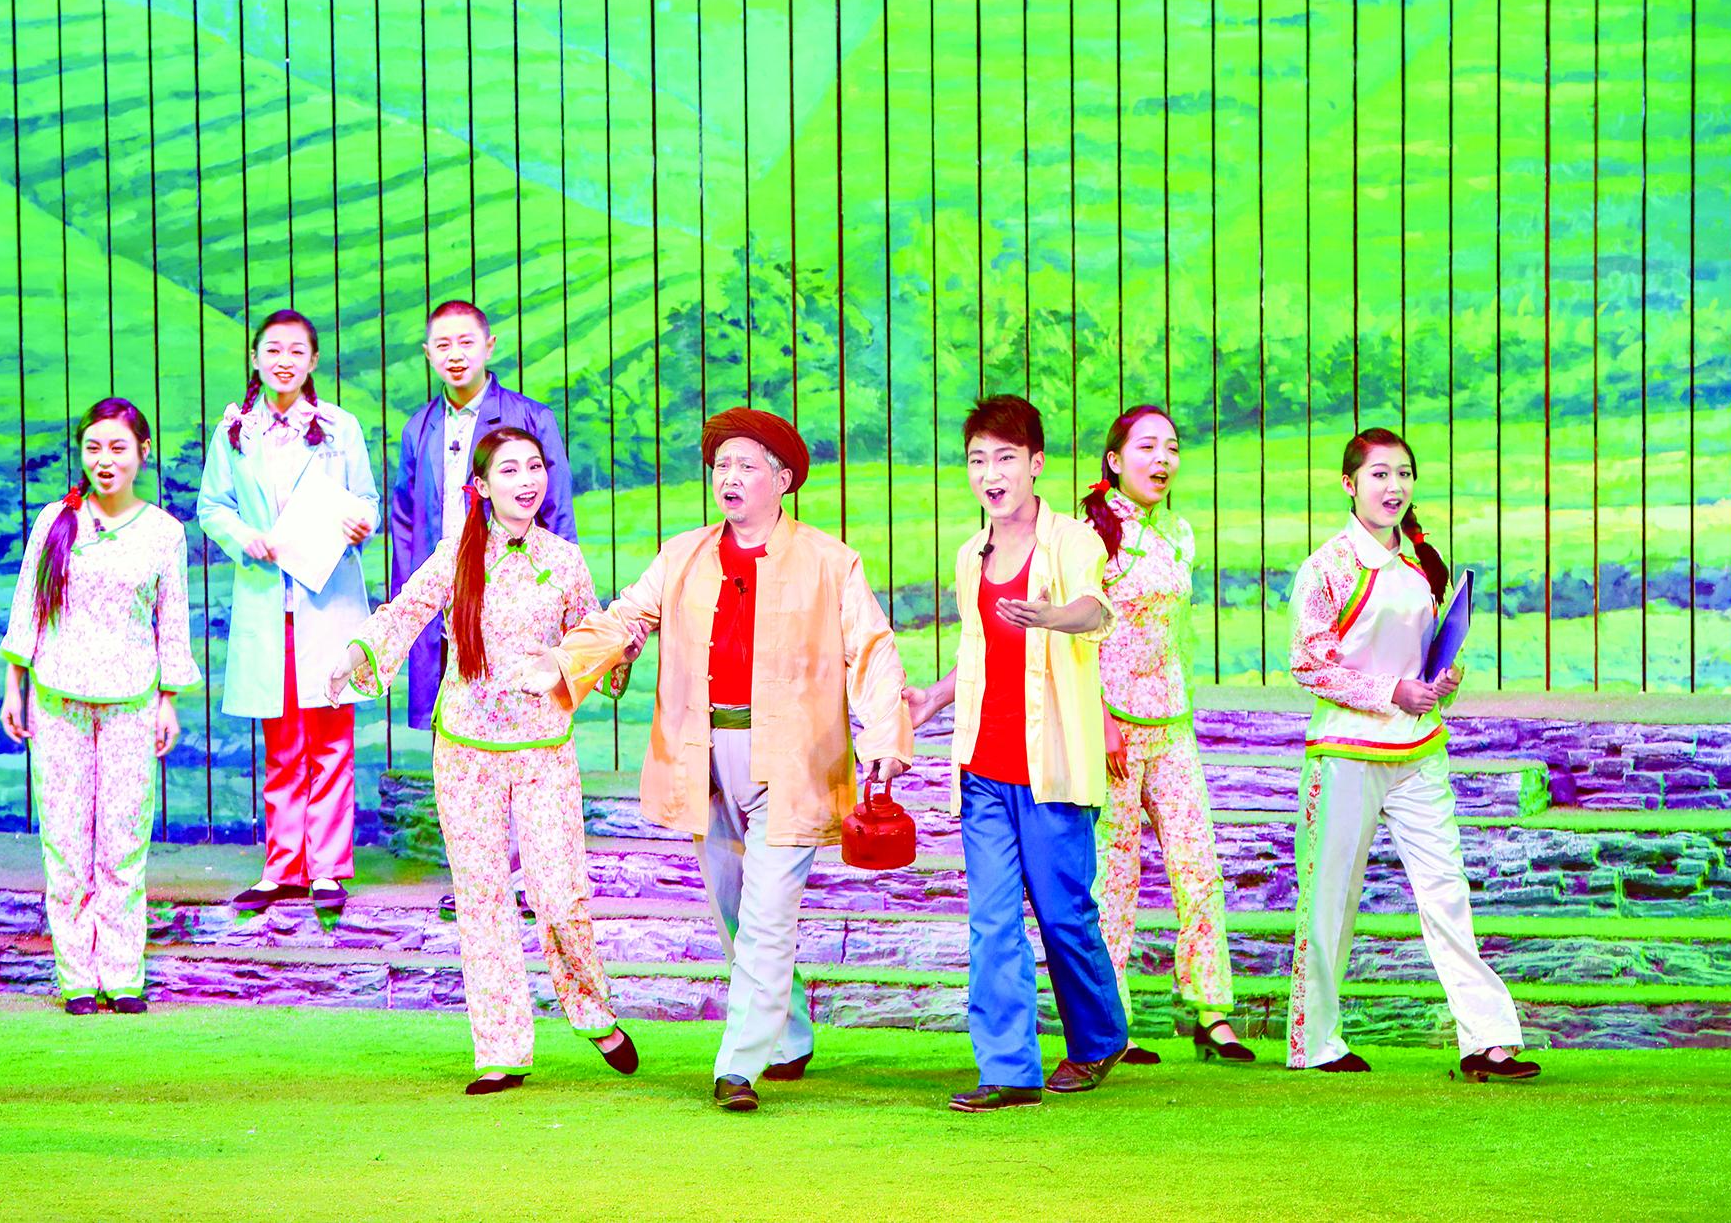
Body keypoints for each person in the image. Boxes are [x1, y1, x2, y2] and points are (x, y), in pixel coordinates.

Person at [525, 409, 913, 1113]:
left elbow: (872, 648)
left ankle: (737, 1065)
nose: (729, 478)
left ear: (783, 480)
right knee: (734, 910)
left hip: (791, 757)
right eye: (721, 465)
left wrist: (885, 738)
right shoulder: (684, 555)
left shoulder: (830, 561)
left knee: (766, 914)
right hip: (704, 754)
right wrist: (564, 661)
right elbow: (626, 616)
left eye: (746, 466)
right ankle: (787, 1036)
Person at [331, 427, 639, 1093]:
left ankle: (591, 1010)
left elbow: (592, 641)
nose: (526, 480)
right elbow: (403, 613)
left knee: (559, 894)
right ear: (481, 486)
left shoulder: (565, 560)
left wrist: (620, 651)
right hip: (466, 750)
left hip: (543, 749)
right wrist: (355, 655)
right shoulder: (457, 554)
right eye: (509, 470)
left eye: (535, 467)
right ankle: (501, 1048)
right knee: (483, 898)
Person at [1285, 426, 1540, 1081]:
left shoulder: (1424, 563)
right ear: (1349, 484)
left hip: (1419, 750)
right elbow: (1308, 664)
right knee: (1329, 901)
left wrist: (1441, 680)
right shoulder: (1327, 567)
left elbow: (1424, 658)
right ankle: (1317, 1042)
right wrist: (1389, 691)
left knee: (1447, 890)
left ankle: (1486, 1038)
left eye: (1403, 473)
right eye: (1379, 474)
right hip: (1345, 754)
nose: (1393, 486)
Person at [904, 395, 1128, 1112]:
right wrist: (934, 698)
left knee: (1064, 915)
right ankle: (1008, 1069)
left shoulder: (1074, 542)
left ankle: (1098, 1038)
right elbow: (978, 650)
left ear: (1036, 464)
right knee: (993, 920)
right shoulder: (970, 555)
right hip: (982, 768)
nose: (990, 474)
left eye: (1005, 458)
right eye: (978, 460)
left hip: (1052, 765)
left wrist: (1051, 616)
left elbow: (1093, 609)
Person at [0, 398, 200, 1015]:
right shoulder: (55, 520)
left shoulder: (164, 532)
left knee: (123, 839)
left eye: (117, 447)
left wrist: (167, 701)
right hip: (57, 699)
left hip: (131, 703)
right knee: (65, 841)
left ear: (142, 452)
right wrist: (14, 686)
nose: (104, 460)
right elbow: (29, 607)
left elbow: (172, 622)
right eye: (93, 448)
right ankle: (77, 978)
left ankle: (123, 974)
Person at [1081, 405, 1250, 1064]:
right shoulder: (1090, 536)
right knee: (1115, 877)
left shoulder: (1180, 531)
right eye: (1147, 447)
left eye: (1172, 448)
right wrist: (1099, 718)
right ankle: (1111, 1023)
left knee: (1197, 864)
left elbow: (1177, 633)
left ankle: (1212, 1012)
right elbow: (1075, 639)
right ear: (1115, 459)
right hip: (1113, 729)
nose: (1162, 459)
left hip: (1172, 725)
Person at [197, 310, 379, 909]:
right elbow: (212, 506)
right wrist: (243, 536)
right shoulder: (236, 431)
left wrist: (361, 523)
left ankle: (327, 867)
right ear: (255, 358)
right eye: (272, 349)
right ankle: (282, 866)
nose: (284, 361)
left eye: (296, 351)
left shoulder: (339, 427)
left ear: (313, 361)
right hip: (267, 599)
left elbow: (367, 502)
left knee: (330, 732)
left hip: (326, 597)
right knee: (281, 739)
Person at [390, 299, 577, 730]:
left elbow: (558, 514)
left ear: (489, 346)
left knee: (522, 718)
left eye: (466, 342)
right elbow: (404, 522)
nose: (455, 355)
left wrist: (559, 597)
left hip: (514, 598)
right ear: (428, 353)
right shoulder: (418, 427)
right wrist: (408, 606)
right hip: (444, 598)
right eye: (443, 345)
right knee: (448, 723)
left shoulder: (530, 417)